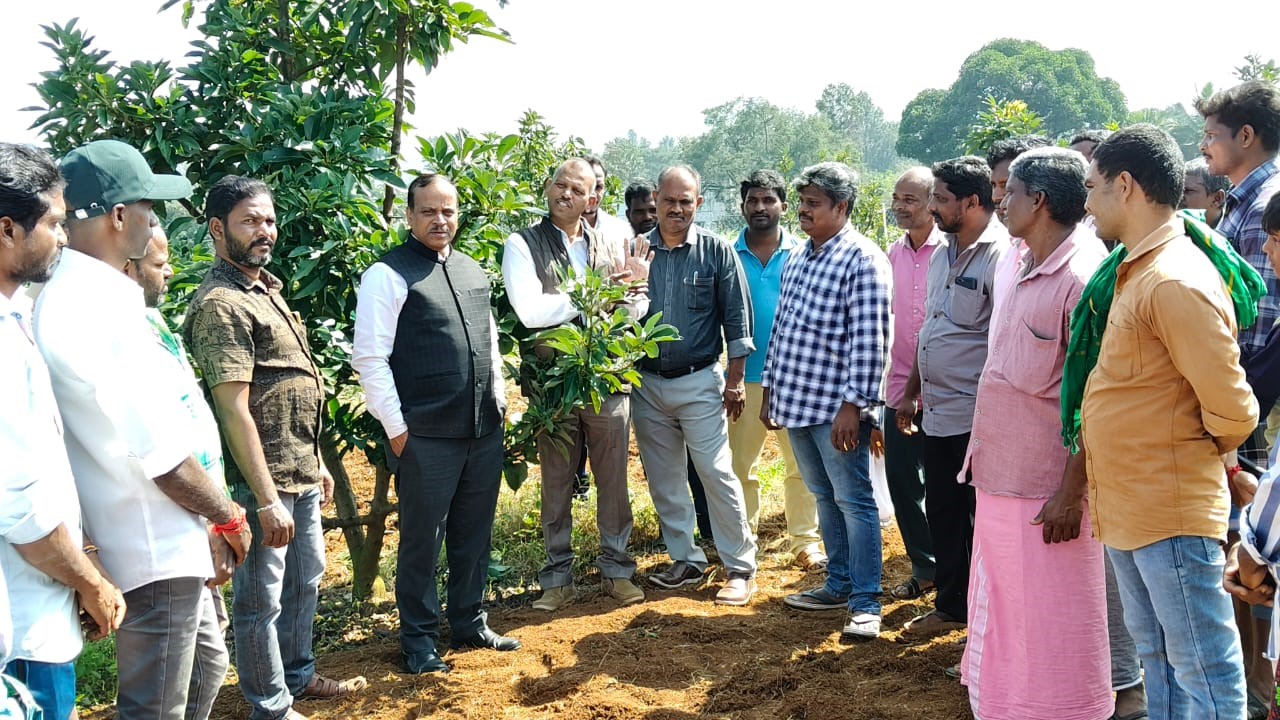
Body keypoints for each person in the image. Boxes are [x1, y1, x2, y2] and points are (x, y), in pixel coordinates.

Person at [37, 139, 246, 720]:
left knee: (205, 665)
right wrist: (227, 515)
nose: (155, 220)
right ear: (118, 216)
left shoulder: (63, 297)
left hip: (140, 533)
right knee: (154, 708)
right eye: (148, 206)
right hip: (153, 540)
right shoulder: (105, 305)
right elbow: (163, 455)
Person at [1082, 124, 1258, 720]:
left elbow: (1234, 409)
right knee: (1157, 658)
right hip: (1132, 504)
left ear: (1124, 186)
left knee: (1202, 668)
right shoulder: (1137, 268)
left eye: (1093, 187)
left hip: (1168, 506)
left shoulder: (1174, 278)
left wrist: (1186, 449)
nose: (1087, 203)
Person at [185, 176, 363, 718]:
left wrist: (319, 463)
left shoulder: (267, 289)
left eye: (268, 219)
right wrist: (263, 499)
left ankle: (299, 675)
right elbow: (234, 408)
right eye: (249, 221)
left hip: (299, 468)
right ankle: (270, 703)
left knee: (304, 580)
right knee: (260, 599)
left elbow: (292, 385)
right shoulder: (222, 304)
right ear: (218, 229)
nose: (265, 231)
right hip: (261, 480)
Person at [955, 148, 1111, 719]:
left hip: (1049, 493)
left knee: (1053, 626)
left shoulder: (1081, 276)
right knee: (1005, 614)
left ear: (1038, 201)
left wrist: (1071, 491)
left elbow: (1098, 399)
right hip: (1000, 473)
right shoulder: (1018, 259)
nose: (1001, 201)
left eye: (1010, 191)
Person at [352, 173, 517, 674]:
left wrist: (500, 403)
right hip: (425, 436)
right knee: (423, 542)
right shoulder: (388, 274)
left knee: (473, 534)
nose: (439, 220)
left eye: (448, 211)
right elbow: (370, 358)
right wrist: (399, 432)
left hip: (482, 431)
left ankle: (469, 621)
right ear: (408, 216)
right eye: (428, 211)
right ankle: (419, 642)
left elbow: (489, 343)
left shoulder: (471, 270)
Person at [1, 142, 125, 720]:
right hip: (23, 636)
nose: (65, 237)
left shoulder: (16, 318)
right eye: (53, 223)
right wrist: (90, 582)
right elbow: (20, 505)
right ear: (7, 229)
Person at [500, 159, 650, 611]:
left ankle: (617, 570)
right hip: (553, 384)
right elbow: (530, 312)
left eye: (577, 189)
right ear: (548, 188)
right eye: (559, 185)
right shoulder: (521, 244)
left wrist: (634, 292)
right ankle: (557, 578)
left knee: (614, 481)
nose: (565, 193)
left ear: (592, 199)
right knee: (557, 482)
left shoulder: (615, 239)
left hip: (607, 380)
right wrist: (602, 293)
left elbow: (635, 308)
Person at [764, 162, 891, 639]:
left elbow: (870, 342)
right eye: (802, 202)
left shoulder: (863, 259)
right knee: (824, 497)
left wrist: (854, 408)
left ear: (841, 207)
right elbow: (782, 329)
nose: (802, 210)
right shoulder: (799, 255)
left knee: (854, 500)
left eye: (813, 203)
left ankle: (866, 601)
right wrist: (771, 391)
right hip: (796, 402)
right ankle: (837, 584)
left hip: (835, 410)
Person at [632, 165, 758, 605]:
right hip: (645, 384)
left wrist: (736, 382)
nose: (677, 209)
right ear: (656, 200)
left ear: (698, 203)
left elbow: (738, 321)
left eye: (687, 201)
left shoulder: (717, 251)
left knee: (715, 473)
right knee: (664, 478)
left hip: (700, 381)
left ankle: (740, 567)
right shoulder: (636, 252)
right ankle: (686, 560)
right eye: (670, 201)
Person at [897, 156, 1010, 637]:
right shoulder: (944, 251)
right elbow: (932, 330)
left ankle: (990, 616)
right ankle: (951, 605)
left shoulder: (1001, 257)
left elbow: (1002, 342)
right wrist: (910, 393)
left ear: (972, 201)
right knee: (942, 509)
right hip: (937, 410)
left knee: (980, 518)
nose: (933, 207)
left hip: (976, 415)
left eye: (941, 198)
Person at [725, 169, 823, 570]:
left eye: (768, 200)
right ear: (743, 206)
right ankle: (742, 540)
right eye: (752, 200)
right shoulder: (726, 256)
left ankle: (805, 541)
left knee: (802, 467)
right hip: (741, 381)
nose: (760, 207)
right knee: (736, 467)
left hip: (794, 378)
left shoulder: (804, 254)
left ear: (783, 205)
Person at [881, 166, 941, 601]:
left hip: (943, 394)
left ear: (934, 202)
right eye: (897, 198)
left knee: (945, 488)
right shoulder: (891, 255)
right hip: (898, 388)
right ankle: (925, 567)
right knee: (904, 486)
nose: (900, 207)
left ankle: (958, 573)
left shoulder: (951, 252)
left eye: (911, 199)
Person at [1197, 80, 1280, 362]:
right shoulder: (1244, 200)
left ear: (1245, 136)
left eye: (1211, 135)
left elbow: (1257, 327)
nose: (1202, 146)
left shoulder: (1263, 209)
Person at [1183, 157, 1232, 229]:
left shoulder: (1239, 232)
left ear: (1217, 198)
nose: (1178, 197)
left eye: (1187, 191)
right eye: (1178, 190)